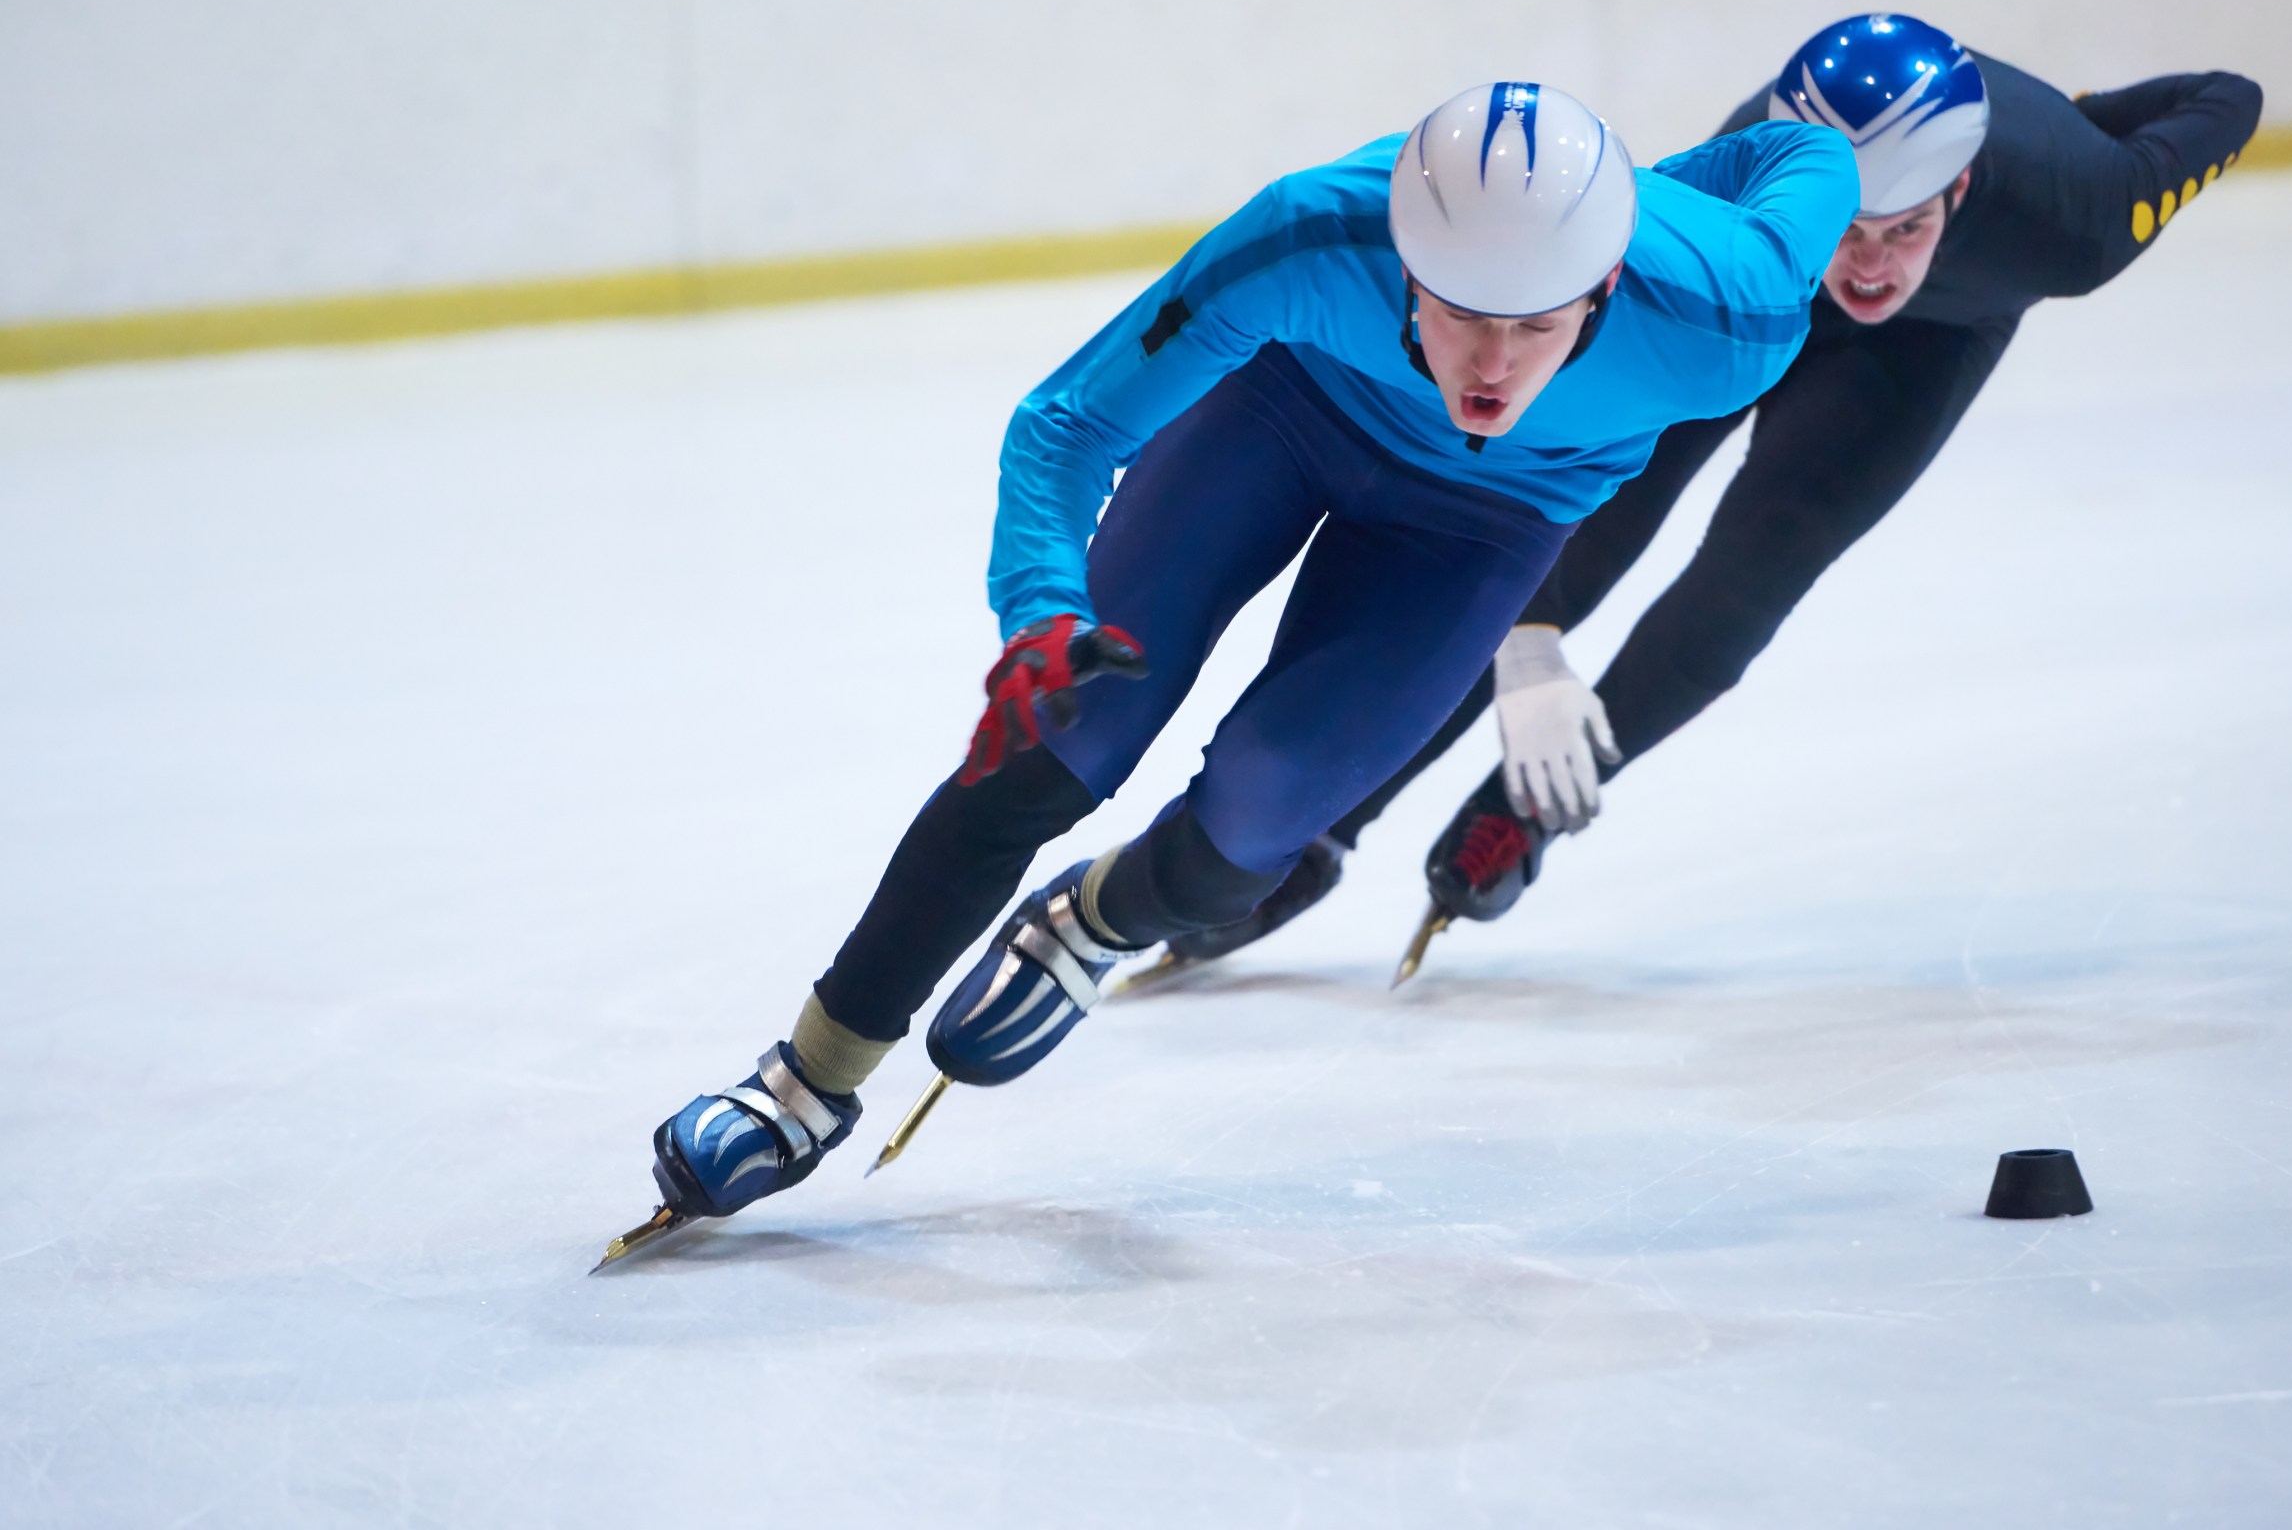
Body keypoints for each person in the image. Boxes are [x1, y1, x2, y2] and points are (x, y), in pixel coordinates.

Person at [597, 80, 1856, 1258]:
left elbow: (1804, 150)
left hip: (1487, 521)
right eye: (1462, 310)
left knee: (1255, 822)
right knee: (1059, 739)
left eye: (1536, 325)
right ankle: (804, 1085)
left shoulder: (1728, 314)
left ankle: (1098, 923)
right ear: (1402, 262)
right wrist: (1040, 604)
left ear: (1604, 288)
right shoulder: (1312, 239)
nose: (1491, 365)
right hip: (1283, 416)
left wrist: (1666, 189)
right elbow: (1068, 423)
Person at [1159, 13, 2264, 977]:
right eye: (1849, 230)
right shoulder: (1735, 193)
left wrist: (2063, 120)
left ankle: (1531, 807)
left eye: (1908, 230)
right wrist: (1531, 638)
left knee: (1756, 569)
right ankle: (1323, 829)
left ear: (1963, 187)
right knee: (1573, 556)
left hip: (1930, 347)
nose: (1870, 267)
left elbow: (2230, 97)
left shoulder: (2082, 215)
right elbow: (1558, 426)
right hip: (1755, 295)